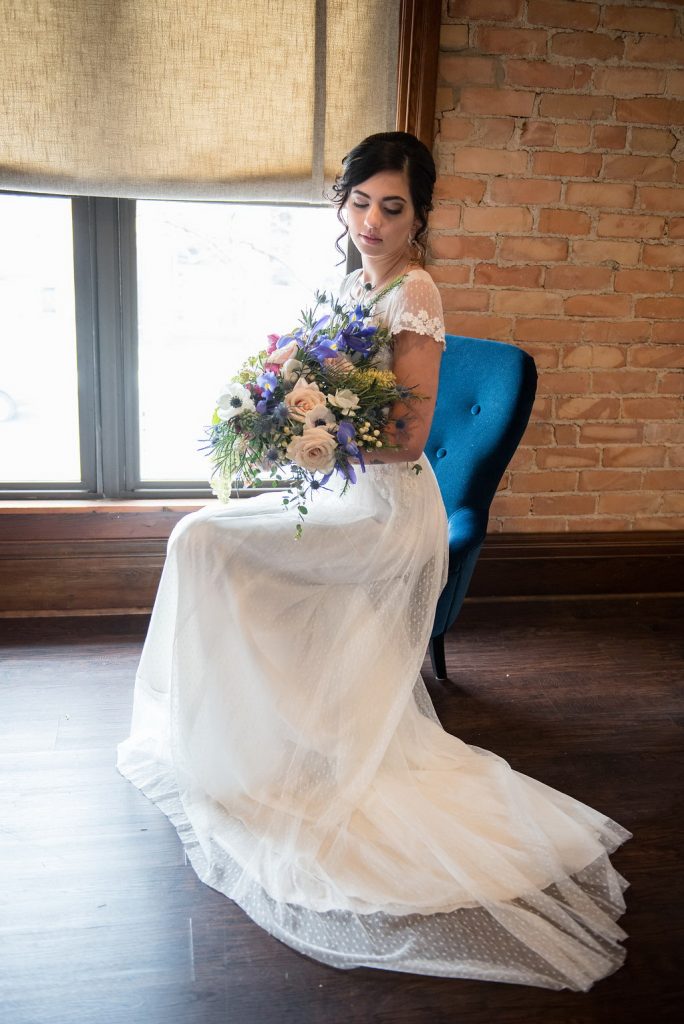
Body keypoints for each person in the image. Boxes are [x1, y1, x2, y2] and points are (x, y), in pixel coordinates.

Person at [117, 131, 631, 990]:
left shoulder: (414, 291)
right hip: (338, 491)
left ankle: (264, 744)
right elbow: (305, 377)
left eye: (393, 207)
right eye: (360, 202)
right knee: (207, 541)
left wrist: (310, 436)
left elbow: (408, 439)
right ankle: (258, 739)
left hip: (387, 511)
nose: (373, 221)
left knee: (202, 539)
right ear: (341, 203)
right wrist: (276, 412)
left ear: (419, 216)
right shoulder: (347, 284)